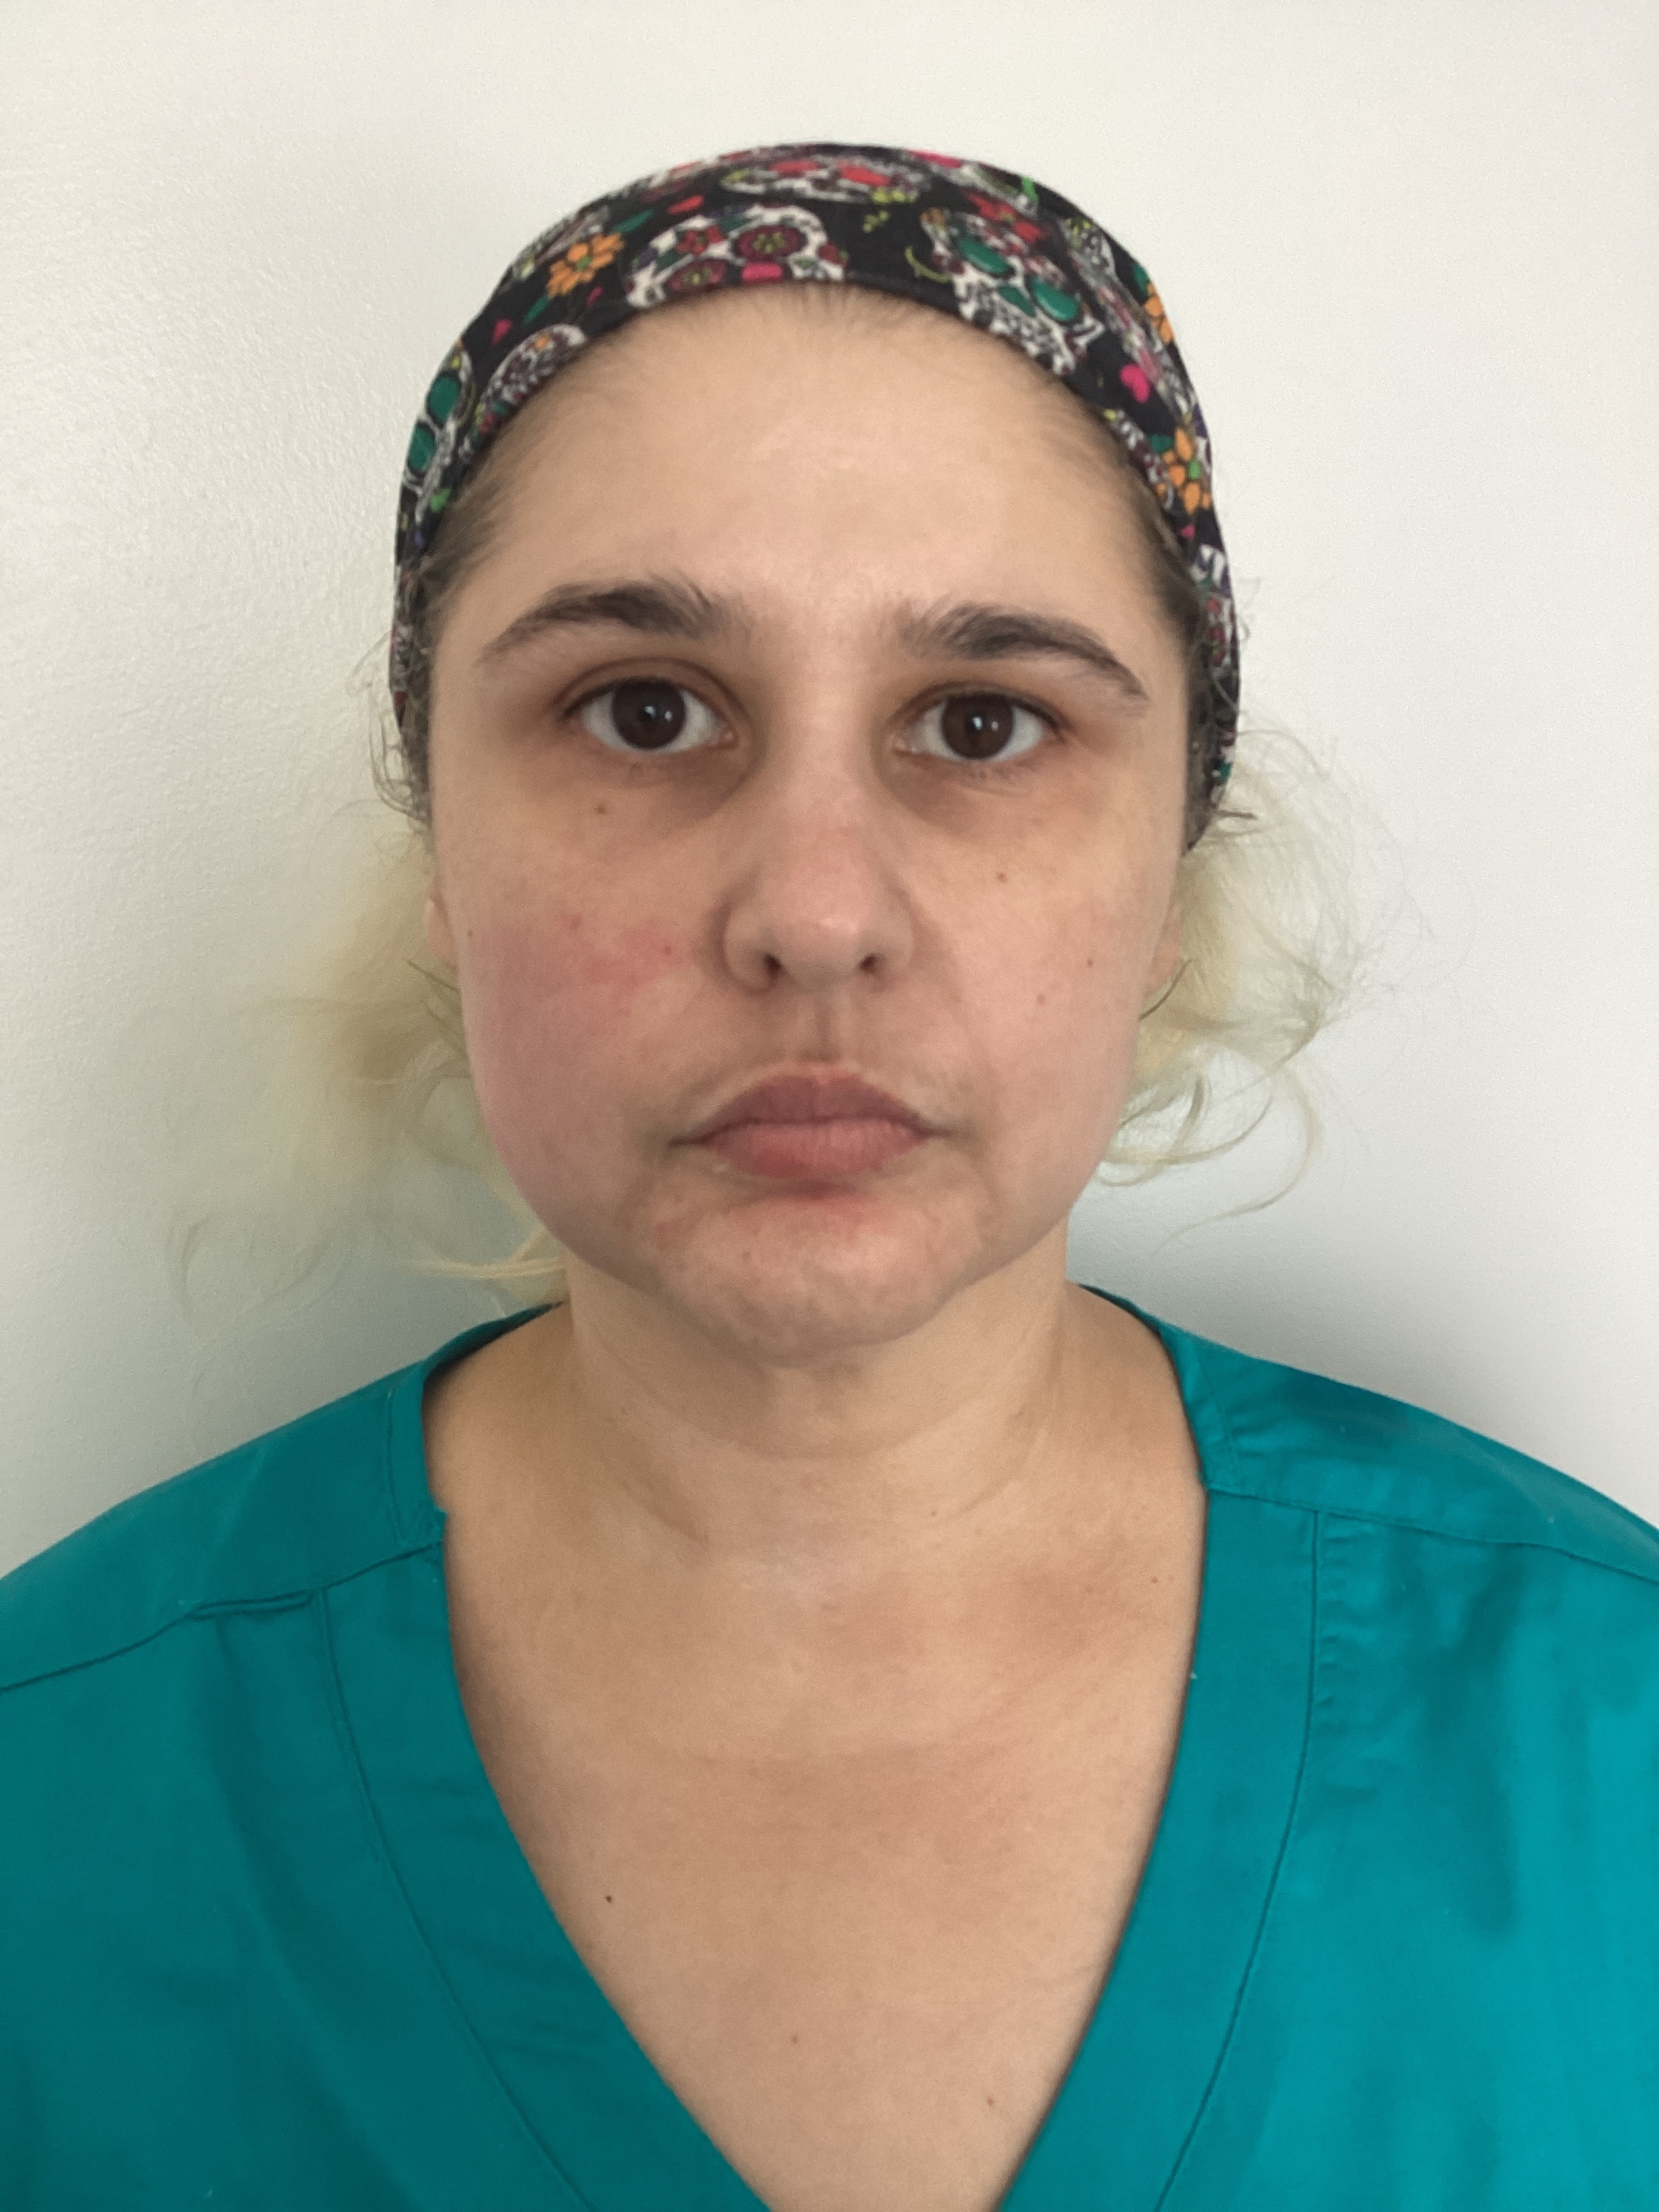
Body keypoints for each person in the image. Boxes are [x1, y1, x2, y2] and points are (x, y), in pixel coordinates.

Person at [2, 142, 1654, 2211]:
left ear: (1168, 879)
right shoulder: (52, 1799)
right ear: (442, 849)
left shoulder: (1607, 1742)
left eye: (982, 724)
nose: (814, 914)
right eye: (644, 710)